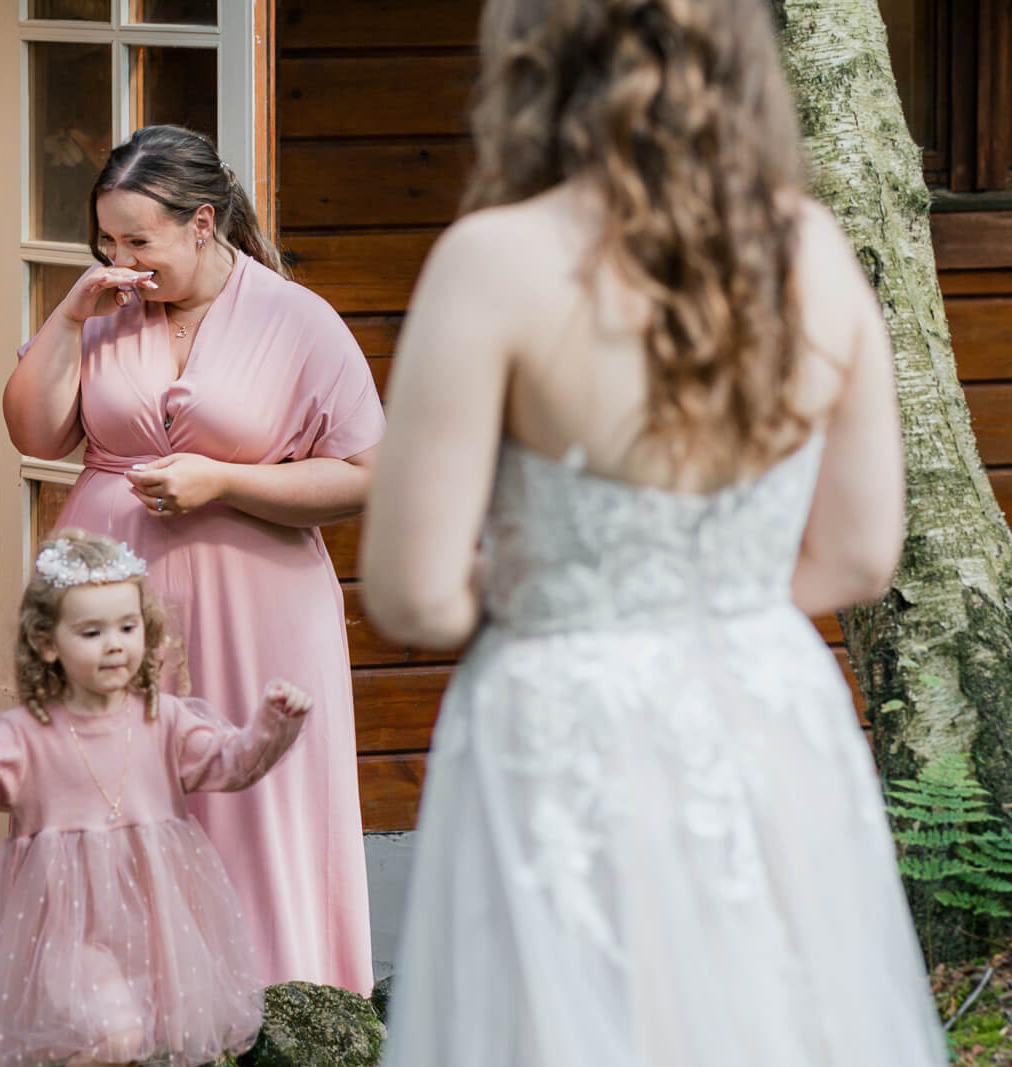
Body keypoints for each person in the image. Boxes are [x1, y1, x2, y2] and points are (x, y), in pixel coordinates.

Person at [360, 1, 947, 1064]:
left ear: (533, 62)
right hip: (767, 707)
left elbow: (411, 591)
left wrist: (554, 591)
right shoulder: (811, 249)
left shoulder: (492, 261)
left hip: (559, 716)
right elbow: (859, 555)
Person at [3, 124, 381, 995]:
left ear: (203, 223)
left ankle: (278, 1006)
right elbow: (33, 430)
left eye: (140, 240)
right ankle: (116, 1017)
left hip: (258, 607)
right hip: (111, 606)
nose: (120, 257)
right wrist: (69, 314)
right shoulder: (102, 311)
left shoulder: (297, 318)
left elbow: (366, 476)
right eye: (106, 238)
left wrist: (225, 481)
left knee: (251, 808)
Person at [0, 529, 312, 1067]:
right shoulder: (26, 732)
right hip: (64, 931)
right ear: (49, 643)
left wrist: (272, 725)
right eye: (92, 632)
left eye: (127, 626)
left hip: (156, 923)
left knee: (134, 1046)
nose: (115, 643)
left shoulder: (163, 719)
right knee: (115, 1037)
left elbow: (233, 764)